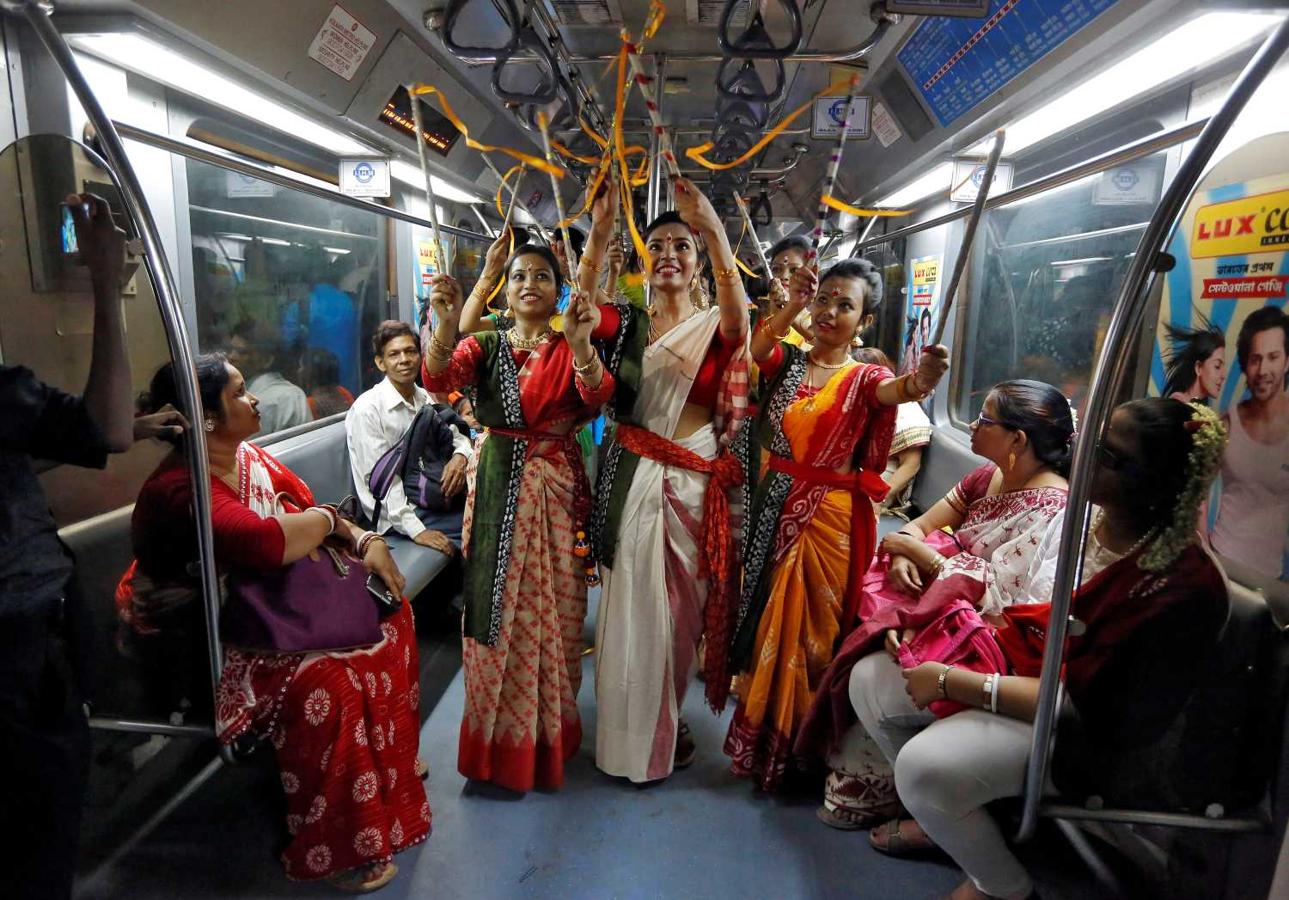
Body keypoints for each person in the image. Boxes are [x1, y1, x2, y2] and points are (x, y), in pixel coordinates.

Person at [849, 399, 1228, 900]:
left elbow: (1084, 705)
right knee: (871, 680)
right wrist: (929, 627)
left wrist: (949, 680)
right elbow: (1011, 605)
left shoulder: (1177, 585)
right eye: (1092, 442)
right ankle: (956, 818)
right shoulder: (1080, 520)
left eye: (1109, 457)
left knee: (923, 767)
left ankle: (1001, 885)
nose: (1085, 458)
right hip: (1022, 672)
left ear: (1157, 485)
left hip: (1085, 734)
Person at [127, 355, 428, 892]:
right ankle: (331, 845)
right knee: (328, 683)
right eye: (241, 392)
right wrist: (332, 523)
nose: (256, 399)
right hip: (208, 639)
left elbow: (305, 514)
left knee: (393, 615)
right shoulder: (182, 486)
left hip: (266, 607)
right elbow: (266, 541)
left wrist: (366, 541)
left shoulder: (249, 459)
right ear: (208, 417)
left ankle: (386, 772)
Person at [799, 379, 1074, 829]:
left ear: (1017, 440)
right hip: (937, 607)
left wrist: (926, 557)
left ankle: (901, 791)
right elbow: (918, 527)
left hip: (980, 644)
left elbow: (1004, 608)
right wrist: (907, 552)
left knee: (869, 664)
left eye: (985, 420)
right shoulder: (989, 477)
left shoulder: (1053, 512)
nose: (973, 426)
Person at [722, 260, 949, 792]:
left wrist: (926, 379)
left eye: (844, 305)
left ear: (864, 322)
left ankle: (801, 750)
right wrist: (791, 305)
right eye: (823, 299)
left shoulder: (865, 378)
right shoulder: (788, 363)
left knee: (813, 635)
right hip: (773, 504)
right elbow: (757, 350)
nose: (829, 312)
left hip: (829, 517)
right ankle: (760, 746)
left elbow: (901, 390)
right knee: (766, 622)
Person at [578, 175, 754, 784]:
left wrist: (712, 226)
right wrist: (600, 232)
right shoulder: (624, 325)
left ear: (698, 261)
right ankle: (626, 735)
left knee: (681, 615)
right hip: (631, 480)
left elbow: (739, 328)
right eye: (659, 246)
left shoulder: (713, 325)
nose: (670, 255)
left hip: (694, 483)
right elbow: (579, 316)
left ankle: (667, 717)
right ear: (643, 262)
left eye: (682, 246)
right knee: (628, 608)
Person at [421, 244, 614, 792]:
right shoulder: (483, 345)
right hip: (497, 485)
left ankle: (549, 738)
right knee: (496, 614)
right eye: (519, 276)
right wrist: (443, 315)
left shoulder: (574, 341)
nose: (530, 283)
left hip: (556, 484)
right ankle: (496, 749)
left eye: (542, 277)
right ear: (505, 290)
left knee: (556, 611)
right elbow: (438, 381)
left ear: (558, 290)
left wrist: (579, 344)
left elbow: (597, 396)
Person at [0, 194, 136, 900]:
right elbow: (105, 430)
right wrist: (107, 284)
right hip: (19, 633)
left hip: (33, 625)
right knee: (37, 831)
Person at [346, 321, 470, 553]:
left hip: (430, 497)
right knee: (477, 529)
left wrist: (460, 457)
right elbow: (382, 483)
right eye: (394, 354)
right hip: (396, 516)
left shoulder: (423, 398)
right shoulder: (368, 410)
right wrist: (417, 530)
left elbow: (455, 435)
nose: (404, 359)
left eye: (410, 351)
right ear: (380, 363)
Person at [1209, 306, 1289, 580]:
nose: (1263, 369)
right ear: (1244, 364)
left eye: (1273, 357)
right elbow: (1198, 495)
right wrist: (1203, 552)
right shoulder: (1226, 423)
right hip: (1221, 560)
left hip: (1272, 575)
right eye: (1255, 359)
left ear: (1287, 361)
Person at [855, 348, 933, 520]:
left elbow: (911, 465)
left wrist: (878, 497)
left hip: (879, 485)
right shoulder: (855, 404)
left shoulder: (906, 408)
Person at [227, 320, 312, 436]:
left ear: (267, 360)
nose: (231, 357)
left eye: (242, 352)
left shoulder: (278, 400)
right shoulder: (294, 394)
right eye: (231, 349)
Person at [1162, 317, 1226, 404]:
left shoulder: (1201, 410)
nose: (1223, 376)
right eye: (1217, 366)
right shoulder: (1179, 402)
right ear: (1198, 368)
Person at [302, 347, 356, 419]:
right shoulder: (342, 392)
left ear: (309, 372)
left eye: (302, 366)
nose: (299, 371)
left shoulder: (310, 404)